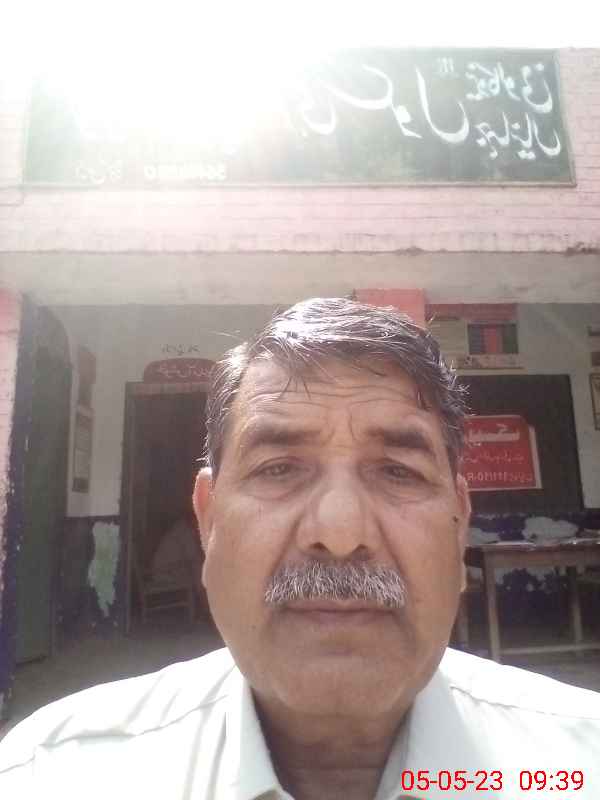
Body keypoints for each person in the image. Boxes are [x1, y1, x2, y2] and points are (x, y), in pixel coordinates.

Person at [1, 297, 599, 800]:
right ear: (208, 520)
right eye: (279, 468)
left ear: (458, 522)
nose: (339, 535)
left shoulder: (578, 762)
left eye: (398, 471)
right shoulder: (55, 775)